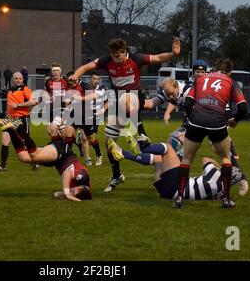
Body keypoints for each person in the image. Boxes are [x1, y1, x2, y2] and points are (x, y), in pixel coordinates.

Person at [69, 38, 181, 193]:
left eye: (119, 56)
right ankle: (117, 176)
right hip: (119, 104)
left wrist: (173, 54)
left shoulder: (136, 59)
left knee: (126, 99)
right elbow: (87, 66)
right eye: (114, 56)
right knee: (109, 144)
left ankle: (142, 134)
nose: (116, 59)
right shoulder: (106, 61)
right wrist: (76, 74)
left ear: (124, 52)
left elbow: (158, 58)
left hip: (135, 96)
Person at [175, 58, 248, 209]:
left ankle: (179, 198)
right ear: (229, 72)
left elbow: (188, 103)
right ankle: (226, 199)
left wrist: (191, 119)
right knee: (225, 158)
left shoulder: (201, 78)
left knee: (187, 158)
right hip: (217, 123)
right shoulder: (231, 82)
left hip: (196, 121)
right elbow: (243, 108)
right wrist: (235, 120)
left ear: (214, 68)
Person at [107, 137, 248, 200]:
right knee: (158, 160)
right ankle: (122, 153)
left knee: (168, 149)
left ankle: (143, 148)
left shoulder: (215, 174)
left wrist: (219, 165)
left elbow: (206, 159)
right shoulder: (222, 192)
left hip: (177, 187)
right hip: (166, 193)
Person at [0, 118, 92, 202]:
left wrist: (62, 194)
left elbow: (59, 193)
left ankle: (10, 129)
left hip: (57, 160)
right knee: (35, 155)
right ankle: (18, 126)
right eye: (73, 191)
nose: (71, 191)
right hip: (63, 153)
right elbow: (67, 174)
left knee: (23, 157)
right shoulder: (83, 178)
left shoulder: (79, 189)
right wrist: (67, 193)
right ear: (82, 188)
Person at [0, 72, 38, 172]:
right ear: (13, 79)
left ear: (22, 79)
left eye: (20, 78)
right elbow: (9, 105)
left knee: (25, 143)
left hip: (22, 118)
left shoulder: (25, 89)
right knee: (4, 141)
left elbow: (34, 102)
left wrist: (18, 105)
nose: (18, 80)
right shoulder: (10, 90)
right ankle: (2, 166)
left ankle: (35, 161)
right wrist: (6, 116)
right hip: (10, 119)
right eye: (16, 78)